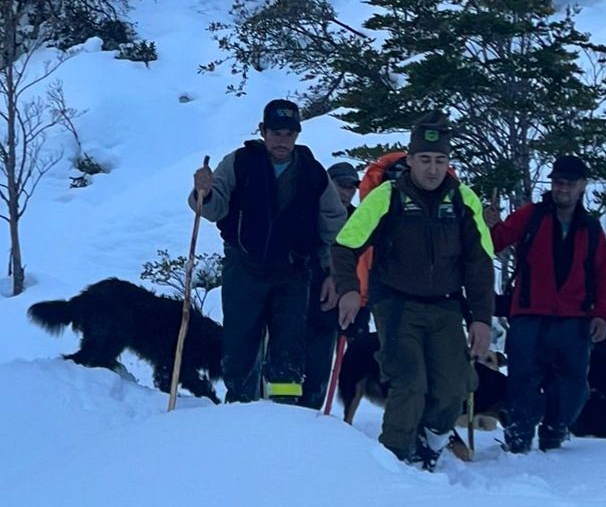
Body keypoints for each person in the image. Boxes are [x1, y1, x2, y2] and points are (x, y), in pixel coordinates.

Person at [332, 111, 494, 471]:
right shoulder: (387, 196)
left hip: (447, 307)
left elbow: (480, 263)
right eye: (425, 160)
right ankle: (393, 461)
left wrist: (482, 318)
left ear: (449, 162)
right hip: (396, 304)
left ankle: (432, 441)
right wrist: (347, 289)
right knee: (409, 381)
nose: (433, 169)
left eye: (440, 160)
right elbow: (345, 245)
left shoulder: (463, 200)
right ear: (410, 159)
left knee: (455, 386)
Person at [190, 99, 347, 404]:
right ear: (263, 131)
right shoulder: (238, 162)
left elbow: (334, 227)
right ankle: (240, 409)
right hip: (243, 270)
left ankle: (283, 417)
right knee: (239, 349)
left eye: (289, 133)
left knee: (288, 351)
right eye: (276, 132)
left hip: (293, 274)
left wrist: (332, 272)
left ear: (298, 134)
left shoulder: (313, 173)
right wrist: (204, 192)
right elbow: (213, 207)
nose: (282, 140)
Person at [483, 155, 606, 453]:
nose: (562, 189)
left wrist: (602, 315)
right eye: (557, 182)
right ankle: (518, 442)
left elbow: (603, 276)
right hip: (529, 317)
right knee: (521, 383)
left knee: (572, 387)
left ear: (582, 186)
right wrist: (488, 225)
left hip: (574, 320)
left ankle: (554, 436)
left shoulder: (591, 228)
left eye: (569, 183)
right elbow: (494, 244)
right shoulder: (530, 215)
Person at [298, 161, 361, 409]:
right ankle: (280, 414)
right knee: (286, 367)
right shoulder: (308, 213)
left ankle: (310, 419)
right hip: (297, 301)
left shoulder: (359, 220)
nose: (346, 193)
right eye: (341, 186)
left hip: (333, 311)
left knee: (319, 369)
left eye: (352, 188)